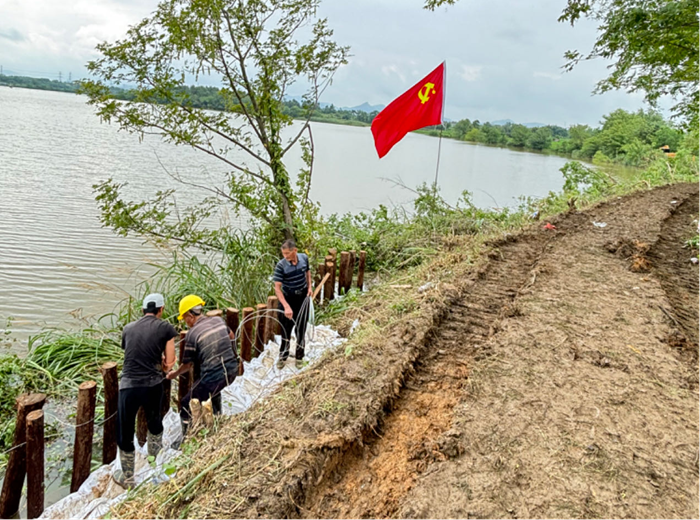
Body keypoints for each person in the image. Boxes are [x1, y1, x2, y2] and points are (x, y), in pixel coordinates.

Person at [113, 293, 177, 488]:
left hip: (129, 387)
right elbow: (170, 361)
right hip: (153, 386)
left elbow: (130, 352)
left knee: (125, 431)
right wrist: (164, 368)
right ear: (161, 310)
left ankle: (128, 477)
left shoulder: (128, 328)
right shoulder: (166, 328)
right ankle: (154, 463)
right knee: (154, 423)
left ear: (142, 311)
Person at [166, 294, 238, 447]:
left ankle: (185, 439)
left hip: (215, 377)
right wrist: (230, 352)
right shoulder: (218, 320)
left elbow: (188, 365)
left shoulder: (193, 334)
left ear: (190, 315)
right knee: (212, 391)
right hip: (232, 370)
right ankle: (218, 418)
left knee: (186, 403)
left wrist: (174, 374)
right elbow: (231, 334)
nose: (186, 323)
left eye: (185, 318)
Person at [272, 239, 313, 370]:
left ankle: (299, 357)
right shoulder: (281, 265)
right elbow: (277, 288)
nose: (285, 256)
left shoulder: (304, 258)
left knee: (301, 329)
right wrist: (286, 306)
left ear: (295, 250)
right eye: (283, 253)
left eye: (287, 253)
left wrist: (310, 287)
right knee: (285, 330)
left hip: (302, 299)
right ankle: (283, 356)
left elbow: (307, 272)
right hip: (287, 299)